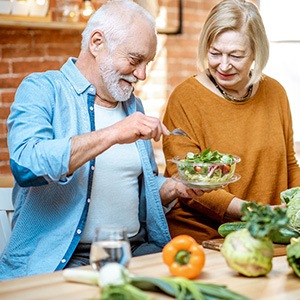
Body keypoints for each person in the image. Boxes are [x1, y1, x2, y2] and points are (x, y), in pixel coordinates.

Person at [0, 0, 204, 280]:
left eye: (147, 63)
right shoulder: (42, 89)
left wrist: (173, 187)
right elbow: (26, 165)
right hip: (65, 262)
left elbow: (130, 189)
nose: (142, 74)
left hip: (137, 252)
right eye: (134, 60)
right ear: (97, 43)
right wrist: (112, 134)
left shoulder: (133, 106)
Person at [162, 0, 300, 243]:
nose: (223, 65)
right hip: (204, 239)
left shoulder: (275, 93)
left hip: (269, 234)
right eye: (215, 53)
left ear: (256, 52)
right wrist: (255, 213)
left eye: (236, 55)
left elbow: (289, 164)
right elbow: (186, 181)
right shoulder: (185, 98)